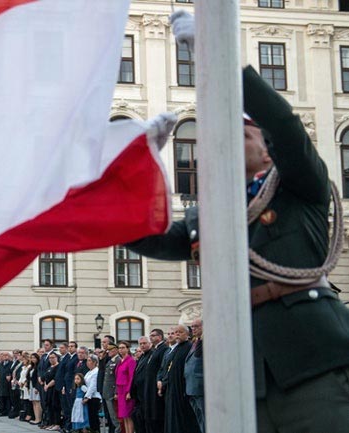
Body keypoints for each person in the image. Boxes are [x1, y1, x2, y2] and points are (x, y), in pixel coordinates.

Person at [129, 10, 349, 432]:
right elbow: (146, 238)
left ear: (267, 152)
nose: (222, 138)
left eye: (240, 132)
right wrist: (142, 164)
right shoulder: (206, 215)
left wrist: (219, 61)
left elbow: (286, 126)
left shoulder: (300, 189)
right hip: (236, 370)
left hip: (309, 360)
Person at [184, 319, 204, 432]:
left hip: (200, 386)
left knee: (205, 417)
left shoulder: (205, 341)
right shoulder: (195, 342)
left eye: (196, 326)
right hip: (191, 387)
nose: (193, 329)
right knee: (199, 418)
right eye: (192, 327)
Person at [115, 341, 136, 433]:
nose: (121, 350)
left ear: (127, 349)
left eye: (123, 347)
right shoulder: (120, 361)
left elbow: (131, 376)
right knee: (124, 415)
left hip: (126, 389)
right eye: (119, 348)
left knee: (128, 414)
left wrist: (129, 391)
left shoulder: (131, 360)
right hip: (120, 389)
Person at [101, 345, 121, 433]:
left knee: (115, 416)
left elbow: (118, 378)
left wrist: (116, 392)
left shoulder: (118, 361)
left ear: (116, 350)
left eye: (111, 350)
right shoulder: (110, 361)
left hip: (113, 392)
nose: (108, 351)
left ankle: (118, 430)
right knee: (111, 416)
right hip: (107, 392)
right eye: (108, 350)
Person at [42, 351, 62, 431]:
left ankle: (57, 423)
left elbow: (55, 378)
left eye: (53, 357)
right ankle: (51, 423)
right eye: (50, 358)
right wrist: (45, 385)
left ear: (57, 358)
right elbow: (45, 377)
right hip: (48, 389)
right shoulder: (50, 367)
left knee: (55, 406)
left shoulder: (58, 367)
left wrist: (48, 385)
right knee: (49, 406)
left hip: (54, 389)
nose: (51, 359)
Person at [83, 356, 102, 433]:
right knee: (90, 416)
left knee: (93, 416)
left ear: (94, 362)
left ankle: (96, 430)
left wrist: (87, 396)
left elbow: (93, 386)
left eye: (90, 361)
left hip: (94, 397)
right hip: (88, 394)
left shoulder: (96, 371)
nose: (88, 362)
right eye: (87, 360)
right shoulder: (89, 372)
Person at [28, 353, 43, 426]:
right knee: (33, 402)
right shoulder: (32, 367)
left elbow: (38, 377)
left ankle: (39, 419)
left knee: (37, 402)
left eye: (34, 358)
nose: (33, 359)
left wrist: (37, 387)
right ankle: (36, 418)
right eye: (32, 358)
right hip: (31, 385)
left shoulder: (38, 366)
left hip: (36, 386)